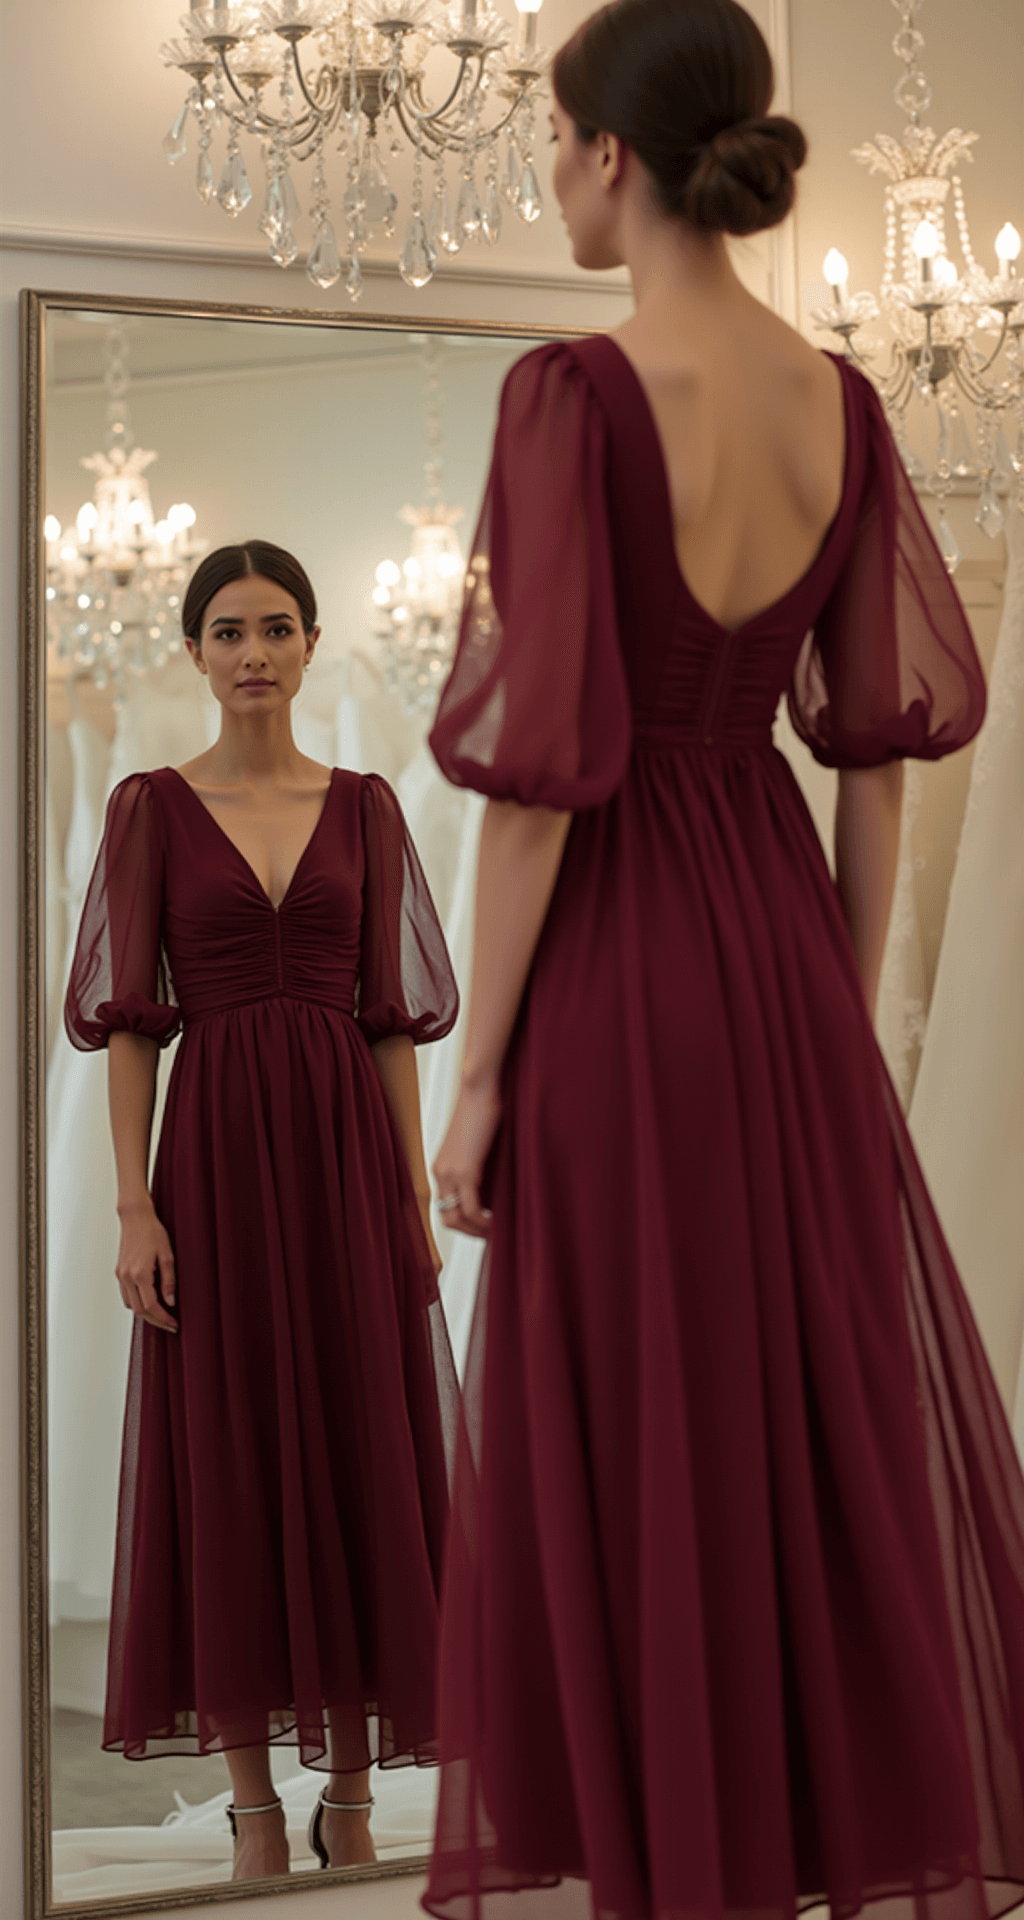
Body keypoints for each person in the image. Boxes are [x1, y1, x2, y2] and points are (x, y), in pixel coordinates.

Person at [424, 2, 1024, 1917]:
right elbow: (875, 776)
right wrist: (834, 1019)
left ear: (612, 158)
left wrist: (478, 1072)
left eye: (547, 138)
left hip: (615, 950)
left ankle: (667, 1860)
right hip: (772, 931)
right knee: (779, 1413)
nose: (544, 172)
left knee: (629, 1416)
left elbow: (534, 799)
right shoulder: (841, 401)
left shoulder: (572, 396)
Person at [64, 539, 459, 1881]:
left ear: (310, 644)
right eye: (225, 630)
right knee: (223, 1451)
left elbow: (394, 1029)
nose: (251, 652)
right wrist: (133, 1206)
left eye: (275, 628)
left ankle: (349, 1797)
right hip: (215, 1164)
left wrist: (409, 1202)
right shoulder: (147, 808)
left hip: (348, 1161)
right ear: (193, 651)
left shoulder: (367, 808)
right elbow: (129, 1030)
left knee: (362, 1439)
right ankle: (252, 1812)